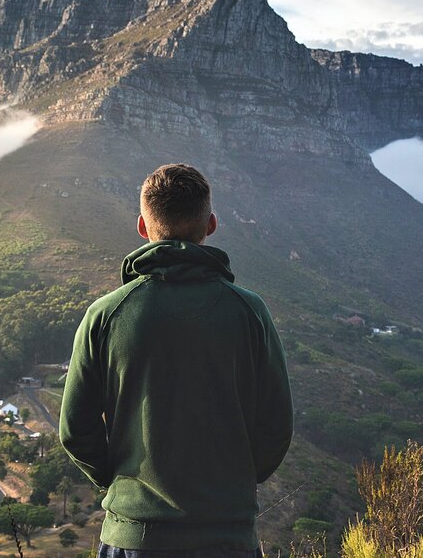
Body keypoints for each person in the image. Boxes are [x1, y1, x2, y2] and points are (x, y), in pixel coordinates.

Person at [60, 163, 294, 555]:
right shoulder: (249, 312)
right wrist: (234, 483)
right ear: (212, 223)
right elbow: (277, 425)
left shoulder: (106, 314)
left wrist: (122, 483)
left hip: (133, 539)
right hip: (228, 539)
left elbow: (75, 429)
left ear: (141, 226)